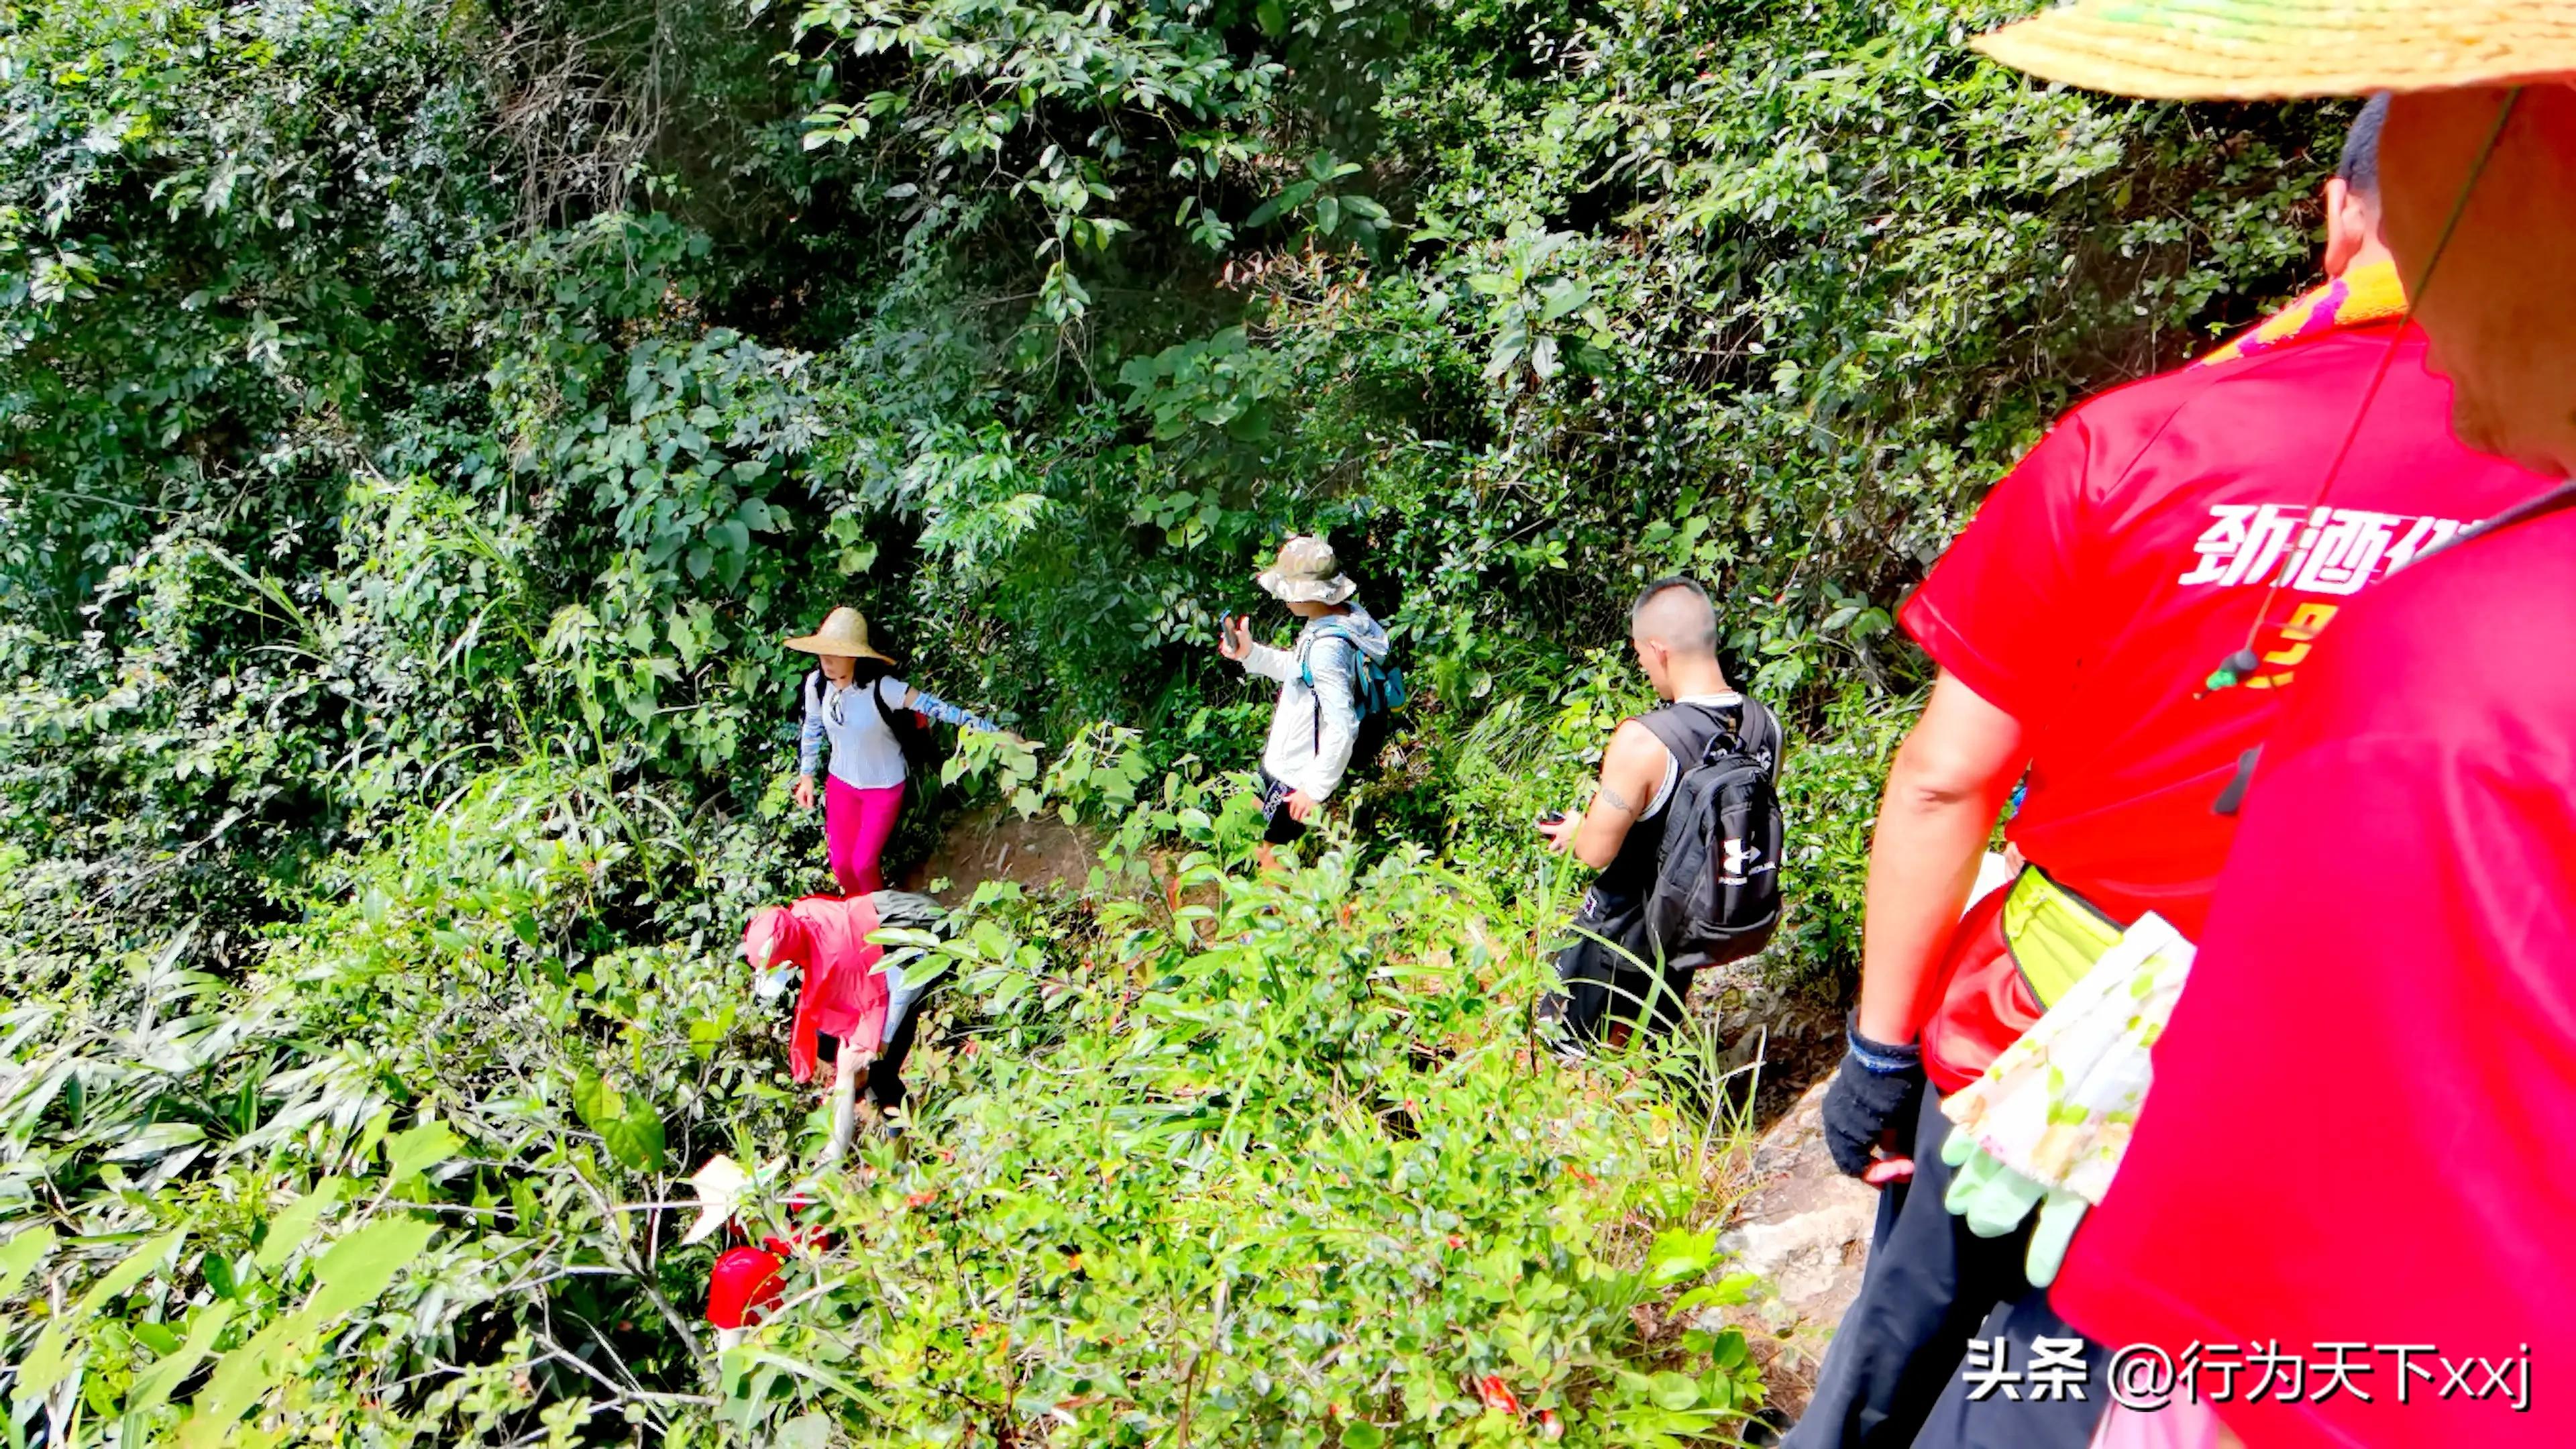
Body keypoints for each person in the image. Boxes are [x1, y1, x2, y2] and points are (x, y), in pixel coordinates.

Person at [1787, 94, 2555, 1449]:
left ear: (2343, 214)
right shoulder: (2530, 486)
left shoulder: (2139, 440)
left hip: (2029, 1042)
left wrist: (1878, 1051)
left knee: (1904, 1372)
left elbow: (1945, 780)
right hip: (2331, 1104)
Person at [1537, 578, 1784, 1051]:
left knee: (1569, 1055)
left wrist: (1575, 831)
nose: (1644, 667)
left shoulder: (1645, 740)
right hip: (1688, 935)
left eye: (1641, 655)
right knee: (1651, 1048)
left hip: (1621, 939)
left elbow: (1594, 851)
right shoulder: (1766, 727)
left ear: (1659, 649)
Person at [786, 607, 1016, 896]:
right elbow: (813, 726)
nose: (826, 661)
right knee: (842, 865)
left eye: (836, 652)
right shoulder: (817, 685)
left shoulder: (885, 689)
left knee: (863, 864)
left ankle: (880, 923)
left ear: (856, 655)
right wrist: (806, 776)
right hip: (841, 784)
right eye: (822, 652)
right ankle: (858, 926)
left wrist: (993, 732)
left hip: (883, 787)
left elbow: (941, 710)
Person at [1214, 535, 1393, 867]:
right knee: (1255, 835)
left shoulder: (1328, 646)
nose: (1283, 598)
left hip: (1296, 772)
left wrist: (1314, 789)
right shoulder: (1343, 619)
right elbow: (1300, 671)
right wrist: (1250, 654)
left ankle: (1281, 915)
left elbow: (1343, 726)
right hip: (1284, 761)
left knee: (1272, 858)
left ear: (1310, 594)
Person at [743, 890, 946, 1163]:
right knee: (833, 1041)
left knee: (881, 1069)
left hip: (923, 934)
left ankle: (901, 1146)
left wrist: (881, 1040)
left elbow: (903, 982)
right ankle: (880, 1101)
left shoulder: (841, 954)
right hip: (890, 929)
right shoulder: (801, 917)